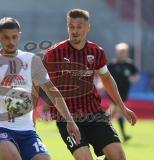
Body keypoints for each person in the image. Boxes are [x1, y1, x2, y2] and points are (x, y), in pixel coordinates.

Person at [0, 17, 80, 160]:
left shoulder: (32, 60)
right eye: (6, 38)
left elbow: (52, 91)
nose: (10, 42)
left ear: (19, 35)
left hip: (27, 130)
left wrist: (70, 120)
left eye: (14, 37)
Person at [40, 9, 137, 160]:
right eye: (71, 26)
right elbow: (45, 85)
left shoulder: (96, 52)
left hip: (94, 114)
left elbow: (106, 79)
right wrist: (43, 107)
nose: (75, 31)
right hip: (67, 118)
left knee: (119, 156)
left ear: (88, 27)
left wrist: (122, 107)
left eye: (79, 26)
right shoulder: (54, 53)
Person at [107, 42, 139, 142]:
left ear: (126, 53)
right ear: (117, 52)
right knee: (118, 109)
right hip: (113, 92)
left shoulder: (129, 64)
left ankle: (99, 125)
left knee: (113, 112)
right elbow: (105, 76)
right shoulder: (112, 65)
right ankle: (123, 135)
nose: (122, 53)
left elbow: (136, 76)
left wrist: (133, 78)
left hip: (124, 92)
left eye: (124, 51)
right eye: (120, 51)